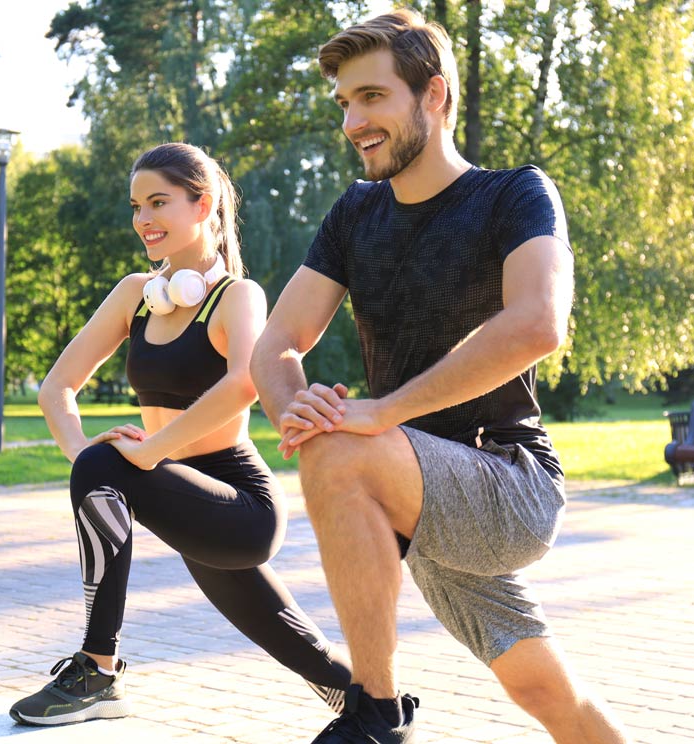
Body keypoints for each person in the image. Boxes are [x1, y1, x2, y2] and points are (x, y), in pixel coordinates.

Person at [250, 10, 631, 744]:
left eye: (372, 97)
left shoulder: (513, 194)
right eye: (345, 103)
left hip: (508, 484)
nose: (353, 120)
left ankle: (376, 715)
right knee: (544, 691)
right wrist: (299, 412)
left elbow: (538, 323)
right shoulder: (356, 213)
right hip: (416, 496)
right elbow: (275, 346)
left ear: (434, 97)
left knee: (342, 448)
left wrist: (378, 413)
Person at [10, 142, 352, 726]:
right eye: (136, 205)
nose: (143, 218)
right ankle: (369, 700)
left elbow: (246, 381)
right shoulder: (135, 296)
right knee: (284, 633)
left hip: (239, 502)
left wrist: (147, 454)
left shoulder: (236, 297)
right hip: (173, 488)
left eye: (159, 202)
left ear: (204, 204)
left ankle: (98, 667)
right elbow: (55, 389)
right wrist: (83, 457)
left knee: (107, 466)